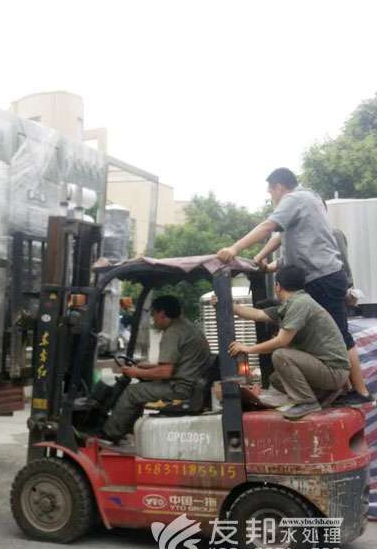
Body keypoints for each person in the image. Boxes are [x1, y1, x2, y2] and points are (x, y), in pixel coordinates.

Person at [216, 167, 369, 404]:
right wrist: (261, 260)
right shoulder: (310, 200)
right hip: (321, 277)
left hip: (323, 278)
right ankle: (343, 390)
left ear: (279, 187)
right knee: (323, 334)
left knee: (340, 335)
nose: (271, 197)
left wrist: (234, 248)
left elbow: (268, 227)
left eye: (271, 192)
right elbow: (282, 239)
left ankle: (360, 392)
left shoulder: (295, 199)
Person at [226, 265, 350, 419]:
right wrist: (226, 304)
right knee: (276, 379)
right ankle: (322, 395)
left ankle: (307, 402)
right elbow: (257, 314)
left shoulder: (299, 304)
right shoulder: (292, 304)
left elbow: (281, 341)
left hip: (333, 371)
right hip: (328, 370)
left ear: (277, 286)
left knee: (281, 356)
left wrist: (247, 349)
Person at [102, 295, 211, 442]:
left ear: (162, 313)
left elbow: (165, 372)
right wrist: (146, 367)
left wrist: (135, 372)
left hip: (180, 388)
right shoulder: (187, 327)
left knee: (132, 392)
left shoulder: (173, 333)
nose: (153, 319)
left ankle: (109, 434)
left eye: (153, 314)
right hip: (191, 384)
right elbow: (179, 364)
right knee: (142, 387)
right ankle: (128, 430)